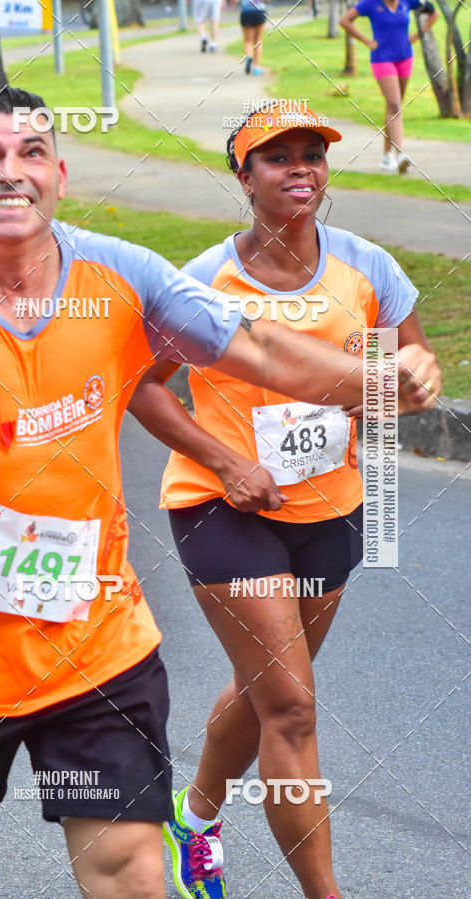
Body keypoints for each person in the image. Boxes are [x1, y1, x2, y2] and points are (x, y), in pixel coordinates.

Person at [0, 85, 437, 899]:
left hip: (94, 649)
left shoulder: (120, 275)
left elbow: (262, 350)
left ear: (60, 174)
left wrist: (377, 381)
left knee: (131, 868)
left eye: (31, 153)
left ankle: (195, 830)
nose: (11, 171)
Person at [128, 105, 441, 899]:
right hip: (223, 508)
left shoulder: (367, 268)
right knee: (294, 707)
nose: (300, 168)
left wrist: (410, 386)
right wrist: (228, 461)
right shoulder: (202, 281)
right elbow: (144, 390)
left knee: (266, 688)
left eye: (312, 154)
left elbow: (406, 369)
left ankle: (193, 818)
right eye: (277, 159)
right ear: (245, 177)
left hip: (329, 512)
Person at [340, 0, 438, 173]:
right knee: (395, 105)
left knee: (393, 108)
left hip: (405, 57)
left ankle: (386, 156)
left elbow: (433, 13)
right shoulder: (370, 4)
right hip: (382, 59)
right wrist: (366, 41)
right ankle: (400, 154)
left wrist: (418, 35)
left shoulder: (408, 2)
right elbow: (345, 21)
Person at [240, 0, 266, 74]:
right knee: (258, 39)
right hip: (259, 11)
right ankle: (256, 68)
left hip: (246, 12)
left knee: (248, 41)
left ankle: (249, 56)